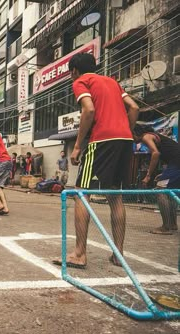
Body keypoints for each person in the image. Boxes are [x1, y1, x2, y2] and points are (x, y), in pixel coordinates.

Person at [53, 52, 139, 269]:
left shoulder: (82, 81)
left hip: (102, 140)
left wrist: (79, 145)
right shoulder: (112, 82)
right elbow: (134, 107)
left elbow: (88, 110)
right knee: (115, 195)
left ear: (73, 71)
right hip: (124, 139)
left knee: (81, 193)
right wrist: (126, 131)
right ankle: (118, 254)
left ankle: (80, 254)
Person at [133, 124, 179, 234]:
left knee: (161, 191)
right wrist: (165, 173)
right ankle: (172, 224)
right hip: (175, 164)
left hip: (177, 164)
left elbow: (155, 153)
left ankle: (166, 227)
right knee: (169, 192)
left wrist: (148, 175)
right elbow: (171, 153)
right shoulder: (154, 136)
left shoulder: (146, 137)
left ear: (136, 133)